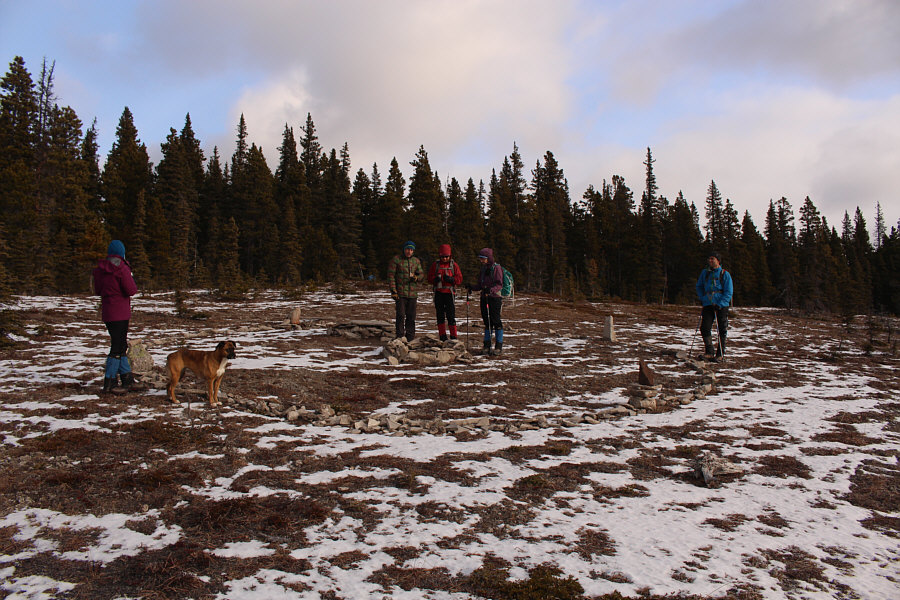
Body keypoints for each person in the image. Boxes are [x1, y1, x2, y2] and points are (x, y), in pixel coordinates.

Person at [92, 240, 143, 393]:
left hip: (108, 313)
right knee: (117, 347)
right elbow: (131, 289)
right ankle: (110, 381)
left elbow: (98, 290)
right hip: (120, 312)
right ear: (122, 253)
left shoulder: (101, 269)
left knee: (120, 346)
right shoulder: (121, 268)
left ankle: (126, 378)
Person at [695, 251, 733, 361]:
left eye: (713, 259)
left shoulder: (724, 274)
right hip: (707, 303)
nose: (710, 261)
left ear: (718, 260)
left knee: (721, 329)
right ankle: (709, 352)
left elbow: (729, 291)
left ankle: (720, 354)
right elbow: (699, 286)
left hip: (721, 305)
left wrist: (721, 304)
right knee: (705, 327)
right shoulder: (705, 273)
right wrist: (702, 298)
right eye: (709, 259)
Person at [467, 248, 504, 355]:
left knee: (496, 321)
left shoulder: (496, 268)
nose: (481, 260)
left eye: (483, 258)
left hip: (495, 298)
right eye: (481, 258)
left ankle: (498, 345)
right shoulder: (483, 269)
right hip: (484, 297)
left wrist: (491, 290)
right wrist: (472, 287)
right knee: (487, 322)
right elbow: (480, 285)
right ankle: (487, 345)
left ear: (489, 258)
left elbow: (499, 284)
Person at [388, 240, 424, 341]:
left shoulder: (416, 261)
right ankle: (399, 337)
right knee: (400, 315)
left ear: (413, 251)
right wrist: (393, 291)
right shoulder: (396, 260)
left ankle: (410, 338)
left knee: (411, 317)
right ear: (404, 249)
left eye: (411, 250)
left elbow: (421, 274)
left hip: (412, 293)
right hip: (400, 293)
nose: (409, 251)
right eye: (407, 249)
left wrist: (416, 278)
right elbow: (391, 276)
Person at [427, 244, 464, 341]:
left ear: (450, 256)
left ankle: (454, 337)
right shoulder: (436, 265)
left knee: (451, 315)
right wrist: (435, 279)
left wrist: (452, 279)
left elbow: (460, 279)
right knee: (440, 315)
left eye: (446, 256)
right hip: (439, 292)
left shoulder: (454, 265)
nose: (444, 258)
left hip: (449, 293)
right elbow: (429, 278)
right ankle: (442, 336)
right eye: (443, 257)